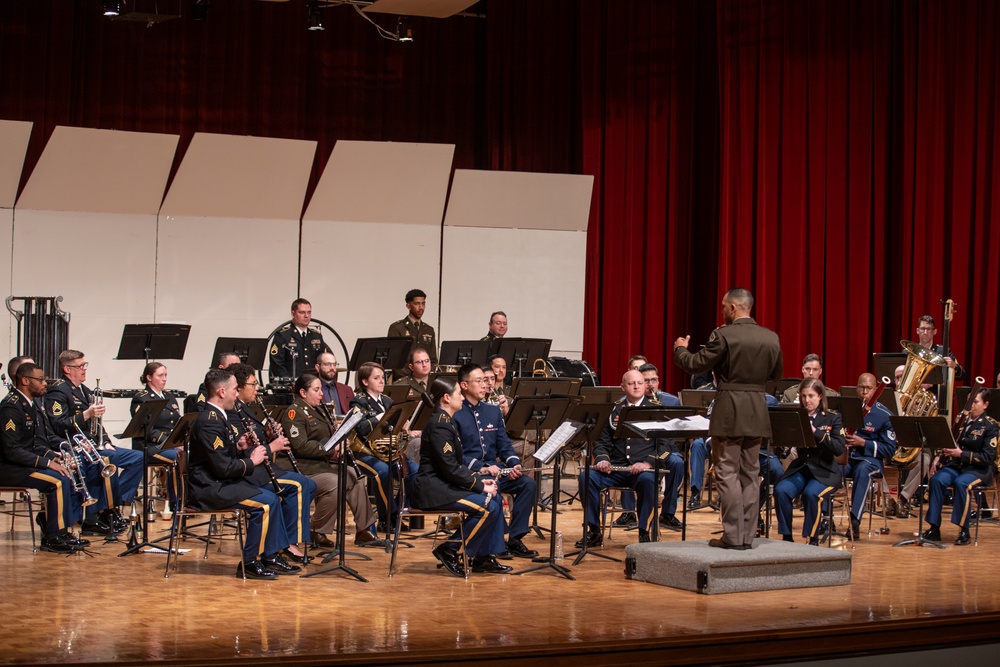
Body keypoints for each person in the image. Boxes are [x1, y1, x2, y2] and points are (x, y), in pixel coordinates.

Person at [673, 287, 783, 550]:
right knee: (751, 472)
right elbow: (775, 375)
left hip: (730, 409)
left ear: (733, 308)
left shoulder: (724, 335)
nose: (722, 310)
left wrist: (680, 349)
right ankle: (747, 536)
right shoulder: (771, 338)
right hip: (757, 408)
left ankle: (733, 536)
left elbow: (696, 364)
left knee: (726, 470)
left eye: (724, 306)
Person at [188, 368, 312, 579]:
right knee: (265, 503)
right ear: (221, 392)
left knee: (272, 497)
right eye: (234, 390)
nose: (237, 394)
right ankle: (249, 562)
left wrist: (238, 446)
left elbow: (221, 456)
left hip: (220, 481)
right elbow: (222, 468)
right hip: (209, 487)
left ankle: (269, 555)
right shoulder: (209, 421)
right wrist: (251, 461)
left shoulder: (218, 416)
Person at [410, 376, 509, 576]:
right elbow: (450, 468)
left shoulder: (446, 421)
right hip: (433, 489)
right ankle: (449, 549)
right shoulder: (439, 424)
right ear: (447, 398)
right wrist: (480, 486)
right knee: (487, 506)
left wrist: (480, 477)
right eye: (458, 394)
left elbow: (456, 465)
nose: (462, 398)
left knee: (495, 498)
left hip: (444, 483)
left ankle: (483, 556)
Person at [45, 349, 144, 536]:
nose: (84, 369)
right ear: (67, 369)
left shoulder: (85, 390)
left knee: (138, 457)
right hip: (74, 446)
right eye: (80, 366)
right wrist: (86, 414)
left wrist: (105, 440)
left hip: (93, 444)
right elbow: (58, 425)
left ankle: (113, 503)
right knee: (108, 460)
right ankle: (97, 514)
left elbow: (96, 424)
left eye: (85, 365)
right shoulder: (58, 391)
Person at [280, 373, 384, 549]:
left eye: (321, 389)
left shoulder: (318, 409)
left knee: (354, 476)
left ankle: (365, 530)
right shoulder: (293, 412)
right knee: (338, 482)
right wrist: (330, 448)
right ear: (303, 393)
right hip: (304, 468)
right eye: (317, 390)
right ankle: (315, 529)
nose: (321, 393)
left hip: (322, 464)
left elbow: (329, 437)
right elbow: (300, 446)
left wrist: (341, 440)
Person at [0, 362, 88, 553]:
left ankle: (62, 531)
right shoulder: (11, 407)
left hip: (24, 464)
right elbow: (11, 450)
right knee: (56, 481)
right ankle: (52, 537)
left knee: (65, 475)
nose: (44, 383)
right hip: (10, 468)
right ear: (25, 381)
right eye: (40, 380)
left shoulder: (31, 405)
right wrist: (46, 463)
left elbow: (35, 442)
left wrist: (53, 457)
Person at [453, 363, 538, 559]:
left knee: (527, 483)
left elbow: (504, 445)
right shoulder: (455, 412)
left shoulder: (492, 411)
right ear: (464, 385)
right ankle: (496, 545)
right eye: (479, 381)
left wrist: (514, 464)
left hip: (496, 469)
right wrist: (483, 467)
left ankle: (515, 538)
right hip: (469, 472)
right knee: (494, 492)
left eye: (485, 380)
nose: (485, 385)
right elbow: (457, 456)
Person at [575, 370, 667, 548]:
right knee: (586, 477)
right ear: (622, 387)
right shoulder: (613, 410)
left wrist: (648, 462)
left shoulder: (656, 410)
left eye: (640, 383)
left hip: (643, 470)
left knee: (648, 480)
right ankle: (593, 530)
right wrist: (602, 459)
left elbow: (666, 447)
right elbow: (601, 442)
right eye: (632, 383)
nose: (636, 386)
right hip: (615, 469)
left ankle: (644, 532)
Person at [773, 379, 846, 544]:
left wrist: (816, 432)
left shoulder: (833, 418)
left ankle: (812, 538)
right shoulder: (797, 416)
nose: (807, 400)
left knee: (811, 494)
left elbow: (839, 448)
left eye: (811, 396)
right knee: (781, 490)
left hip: (825, 471)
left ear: (820, 397)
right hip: (802, 468)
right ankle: (787, 537)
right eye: (803, 396)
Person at [922, 388, 997, 546]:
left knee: (961, 484)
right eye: (969, 401)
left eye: (975, 402)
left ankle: (964, 530)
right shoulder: (961, 421)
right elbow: (948, 441)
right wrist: (938, 457)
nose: (971, 405)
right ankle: (934, 527)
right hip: (958, 466)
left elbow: (987, 458)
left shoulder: (990, 426)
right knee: (937, 480)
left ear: (985, 405)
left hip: (978, 470)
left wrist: (960, 454)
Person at [348, 361, 418, 530]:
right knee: (383, 472)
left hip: (387, 452)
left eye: (383, 377)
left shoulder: (387, 400)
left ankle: (398, 511)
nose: (382, 381)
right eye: (376, 378)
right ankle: (386, 518)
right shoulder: (358, 402)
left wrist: (403, 424)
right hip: (364, 453)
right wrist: (382, 417)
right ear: (365, 382)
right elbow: (361, 427)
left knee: (415, 471)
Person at [842, 373, 897, 539]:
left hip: (870, 461)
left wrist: (863, 443)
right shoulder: (847, 408)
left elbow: (889, 450)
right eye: (861, 387)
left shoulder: (885, 415)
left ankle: (855, 521)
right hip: (848, 458)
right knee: (828, 467)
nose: (864, 391)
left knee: (863, 471)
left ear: (876, 389)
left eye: (869, 388)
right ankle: (824, 518)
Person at [269, 298, 330, 379]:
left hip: (313, 384)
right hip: (290, 385)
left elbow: (323, 361)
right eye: (302, 312)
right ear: (293, 314)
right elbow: (277, 364)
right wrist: (290, 382)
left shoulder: (316, 336)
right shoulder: (283, 335)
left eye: (309, 312)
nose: (306, 316)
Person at [387, 288, 438, 377]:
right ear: (408, 306)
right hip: (404, 379)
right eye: (417, 303)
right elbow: (393, 361)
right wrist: (413, 376)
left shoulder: (429, 329)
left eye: (423, 303)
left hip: (425, 380)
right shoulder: (397, 328)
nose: (421, 307)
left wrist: (425, 375)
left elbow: (433, 360)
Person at [315, 351, 354, 415]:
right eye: (327, 364)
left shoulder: (347, 389)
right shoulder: (312, 390)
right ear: (318, 367)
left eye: (334, 364)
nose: (332, 368)